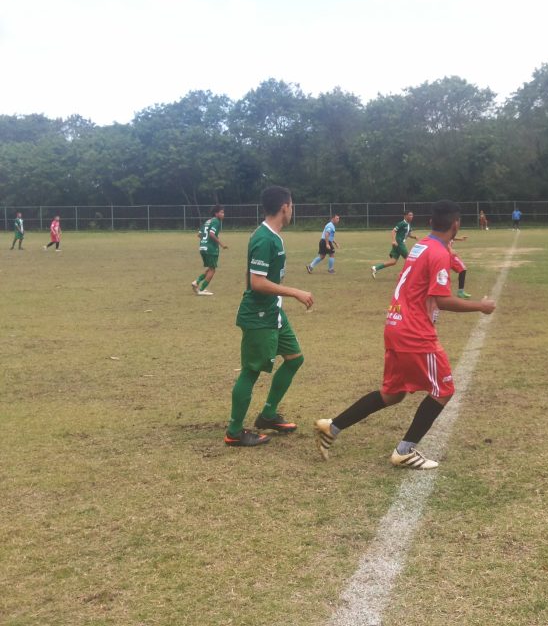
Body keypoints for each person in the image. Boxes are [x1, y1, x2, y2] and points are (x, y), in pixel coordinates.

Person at [315, 200, 496, 469]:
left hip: (395, 323)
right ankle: (404, 450)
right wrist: (480, 307)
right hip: (414, 331)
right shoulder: (438, 253)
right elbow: (442, 299)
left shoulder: (422, 244)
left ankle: (333, 426)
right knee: (444, 389)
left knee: (392, 394)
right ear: (455, 225)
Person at [225, 186, 314, 447]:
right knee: (251, 371)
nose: (292, 209)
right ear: (284, 207)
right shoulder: (265, 238)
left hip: (273, 310)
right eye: (292, 205)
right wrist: (295, 292)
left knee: (295, 358)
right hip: (259, 314)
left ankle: (267, 414)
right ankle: (234, 431)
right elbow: (257, 282)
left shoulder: (272, 235)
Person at [191, 205, 228, 295]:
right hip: (211, 249)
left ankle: (196, 282)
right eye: (222, 212)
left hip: (202, 247)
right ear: (216, 213)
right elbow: (211, 234)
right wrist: (221, 244)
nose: (223, 214)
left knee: (211, 268)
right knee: (213, 270)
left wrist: (205, 241)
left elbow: (199, 235)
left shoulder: (208, 221)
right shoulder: (216, 221)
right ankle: (201, 289)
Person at [371, 211, 417, 278]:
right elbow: (393, 231)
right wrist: (394, 241)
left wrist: (414, 237)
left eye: (412, 215)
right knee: (409, 259)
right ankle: (406, 275)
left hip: (399, 244)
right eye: (410, 215)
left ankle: (375, 268)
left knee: (393, 261)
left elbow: (409, 235)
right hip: (399, 243)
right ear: (405, 216)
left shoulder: (409, 225)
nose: (411, 216)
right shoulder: (402, 223)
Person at [450, 234, 471, 299]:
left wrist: (460, 239)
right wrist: (449, 248)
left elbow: (450, 237)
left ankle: (460, 292)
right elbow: (442, 238)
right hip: (448, 255)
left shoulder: (447, 230)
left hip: (447, 254)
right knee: (463, 269)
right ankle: (460, 292)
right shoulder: (444, 228)